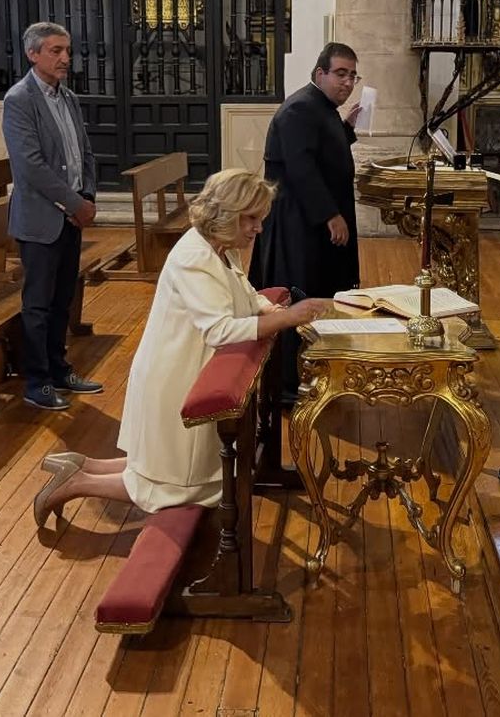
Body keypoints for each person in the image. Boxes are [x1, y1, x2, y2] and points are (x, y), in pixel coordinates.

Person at [32, 169, 328, 523]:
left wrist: (268, 307)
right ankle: (74, 483)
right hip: (174, 381)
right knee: (172, 486)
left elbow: (243, 291)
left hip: (185, 370)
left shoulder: (220, 248)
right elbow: (220, 330)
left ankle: (81, 465)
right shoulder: (195, 256)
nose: (258, 228)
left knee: (162, 467)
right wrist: (289, 317)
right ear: (227, 213)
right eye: (251, 219)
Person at [248, 42, 363, 402]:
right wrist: (330, 214)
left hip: (309, 221)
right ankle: (287, 383)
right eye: (340, 73)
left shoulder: (321, 107)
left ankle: (317, 367)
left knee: (320, 289)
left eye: (352, 75)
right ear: (320, 74)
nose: (347, 82)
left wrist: (345, 129)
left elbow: (318, 147)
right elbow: (301, 169)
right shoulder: (300, 108)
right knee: (298, 292)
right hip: (298, 225)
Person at [2, 22, 102, 411]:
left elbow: (84, 153)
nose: (64, 58)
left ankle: (60, 369)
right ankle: (37, 380)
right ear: (33, 54)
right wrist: (74, 204)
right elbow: (30, 166)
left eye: (67, 50)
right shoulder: (20, 100)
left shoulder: (69, 98)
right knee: (39, 303)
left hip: (72, 215)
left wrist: (88, 195)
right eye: (55, 51)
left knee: (63, 299)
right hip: (42, 219)